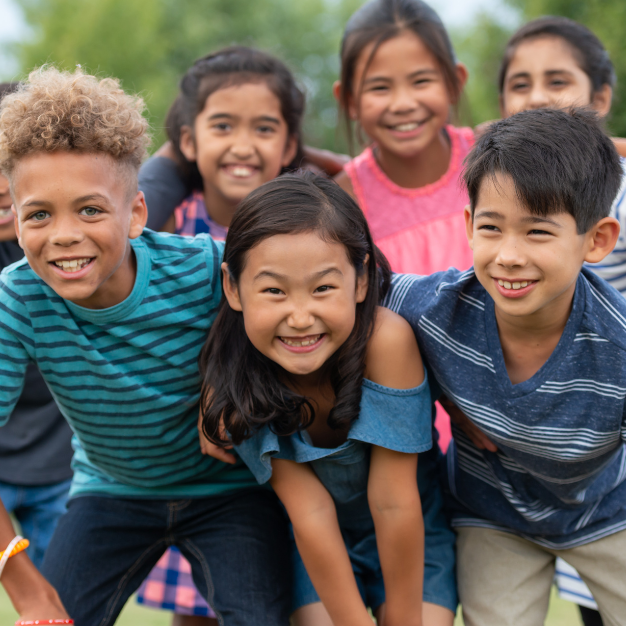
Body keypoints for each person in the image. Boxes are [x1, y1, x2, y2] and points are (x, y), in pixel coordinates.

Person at [0, 66, 291, 626]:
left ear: (135, 213)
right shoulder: (19, 299)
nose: (63, 234)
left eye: (90, 209)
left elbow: (284, 325)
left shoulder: (207, 268)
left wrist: (222, 386)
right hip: (111, 490)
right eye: (40, 214)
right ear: (16, 221)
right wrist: (23, 584)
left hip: (227, 489)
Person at [383, 107, 626, 626]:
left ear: (597, 240)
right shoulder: (432, 307)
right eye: (492, 227)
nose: (509, 256)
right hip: (492, 513)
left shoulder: (619, 345)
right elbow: (335, 289)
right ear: (469, 225)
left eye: (538, 233)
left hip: (610, 509)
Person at [198, 172, 458, 626]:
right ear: (234, 288)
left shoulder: (386, 343)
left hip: (411, 529)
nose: (300, 317)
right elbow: (311, 512)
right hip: (316, 541)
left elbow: (394, 502)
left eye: (322, 288)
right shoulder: (242, 383)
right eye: (274, 291)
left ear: (360, 280)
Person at [136, 46, 305, 626]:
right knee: (198, 610)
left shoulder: (304, 228)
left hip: (286, 452)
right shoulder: (166, 224)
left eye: (264, 128)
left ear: (287, 146)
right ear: (188, 141)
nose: (242, 144)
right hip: (191, 465)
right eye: (222, 126)